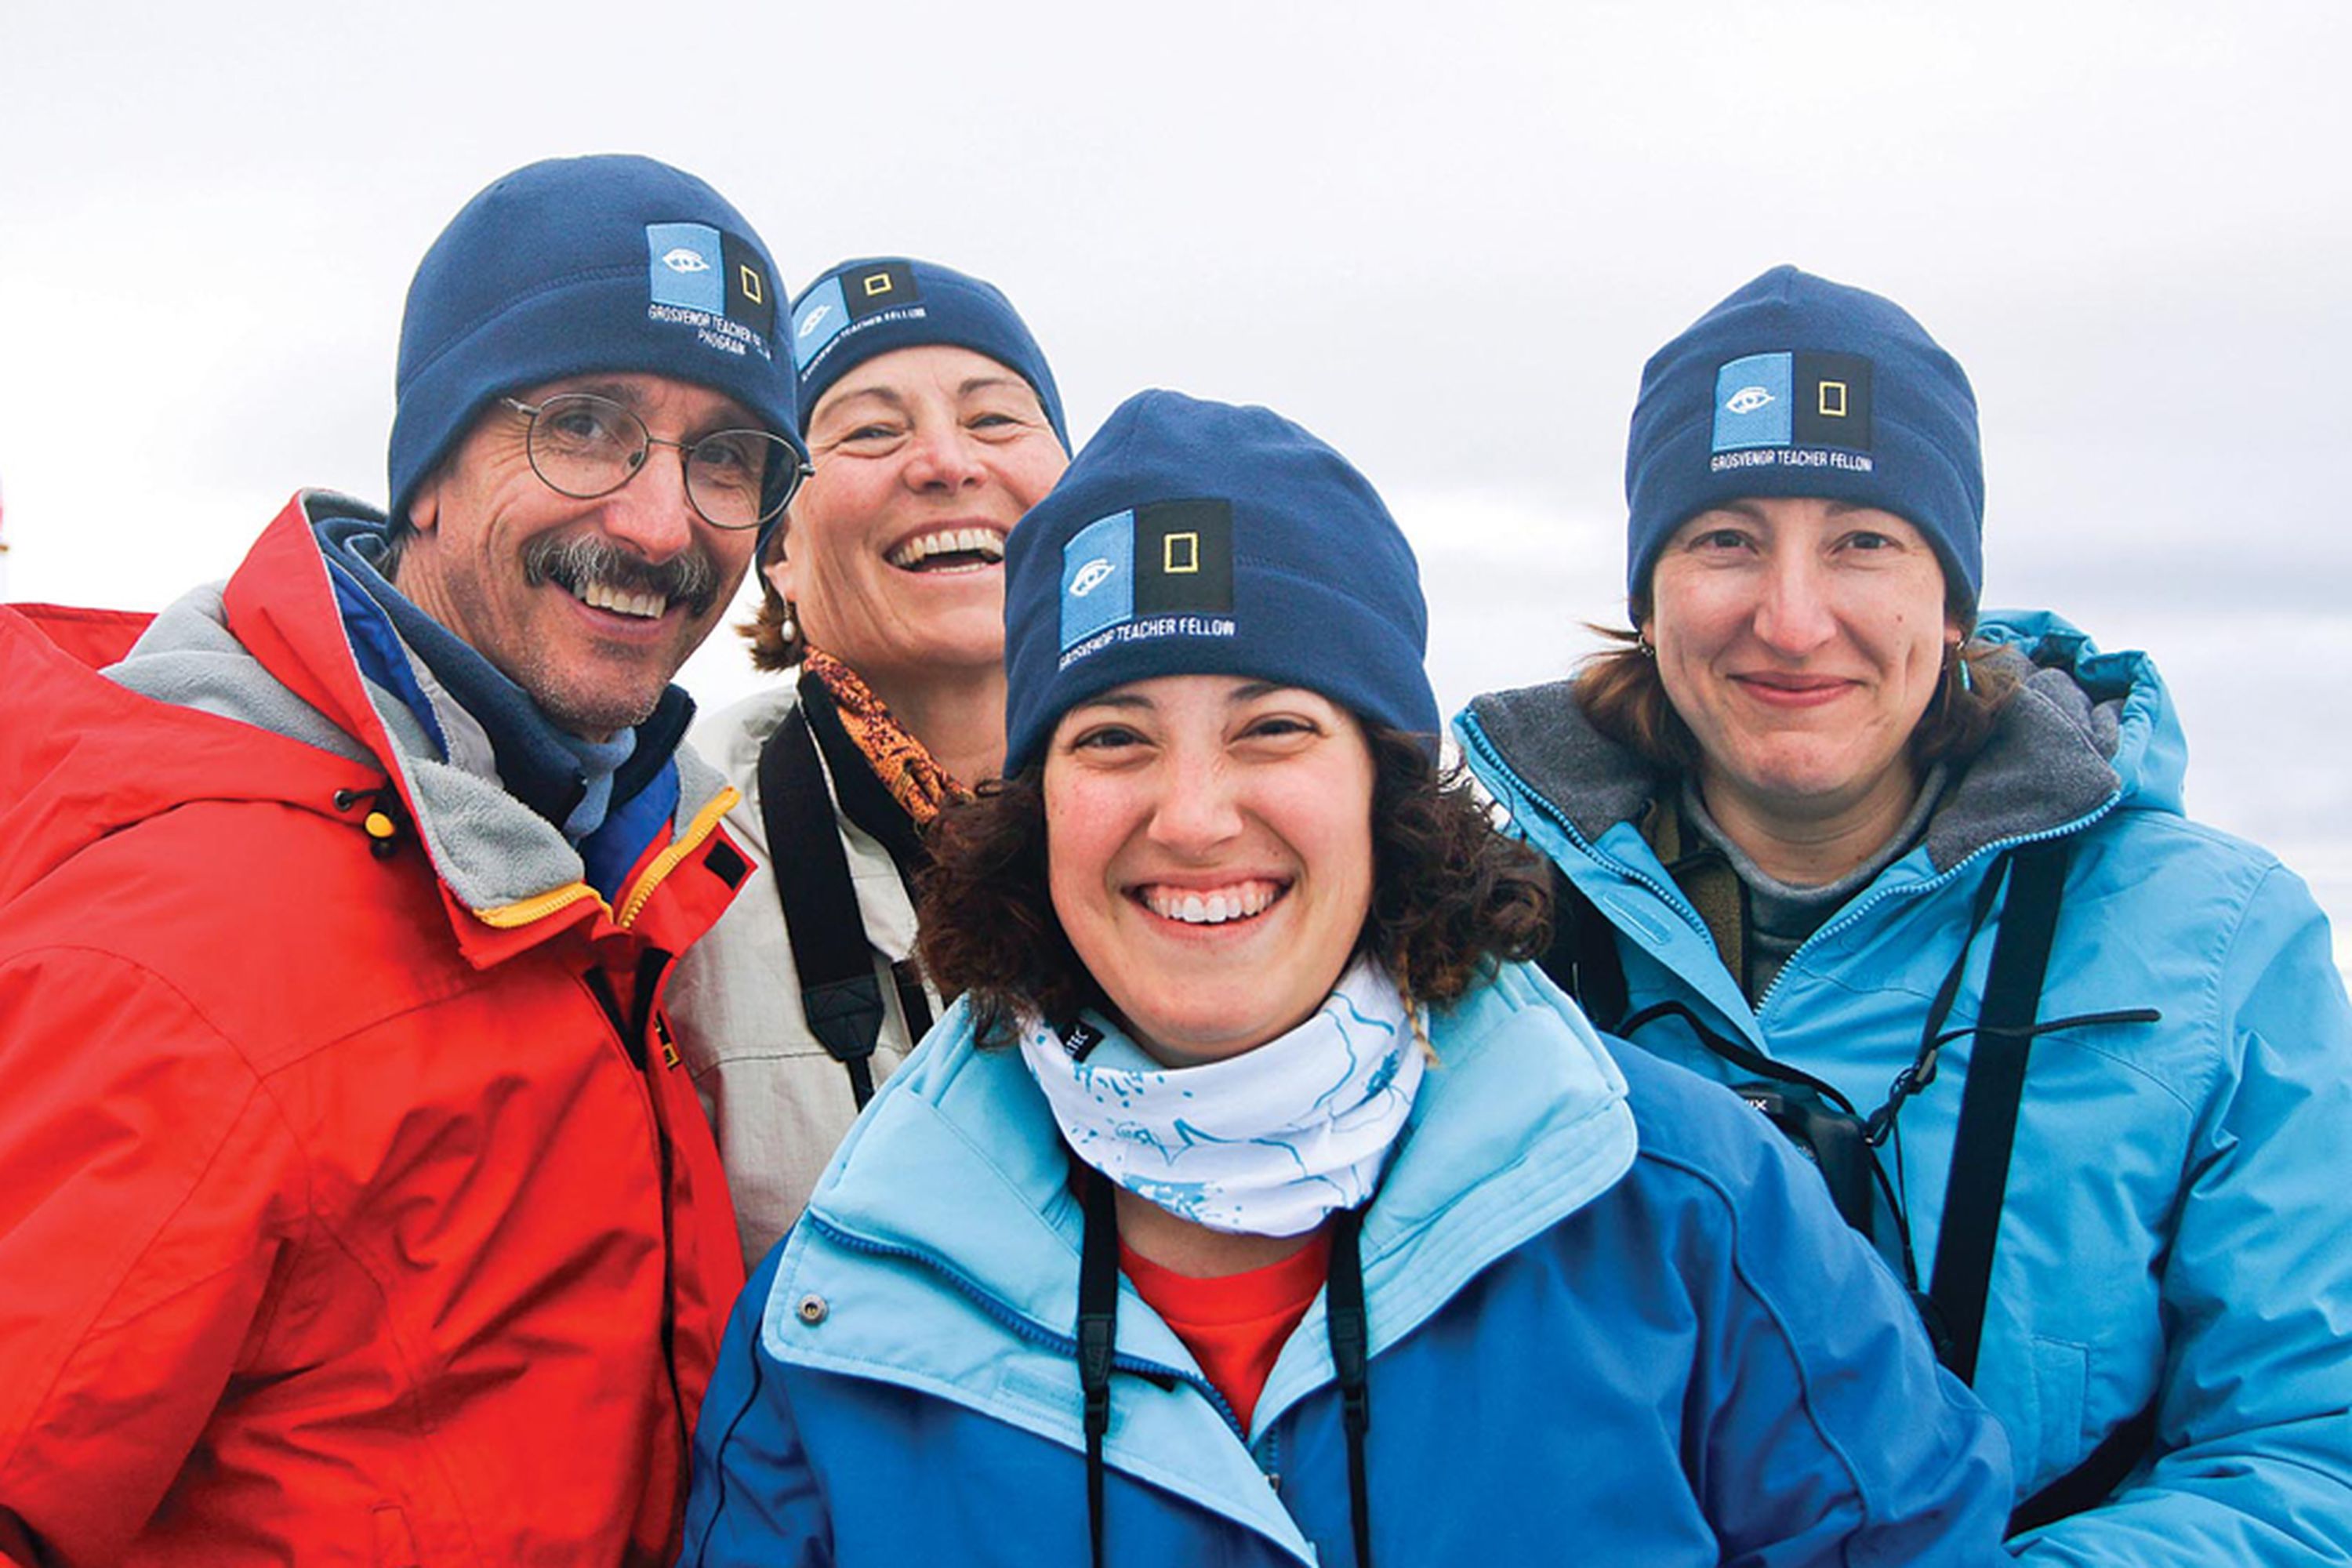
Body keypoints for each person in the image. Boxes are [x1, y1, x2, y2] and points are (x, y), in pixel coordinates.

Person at [677, 390, 2016, 1566]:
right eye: (1114, 739)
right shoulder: (849, 1300)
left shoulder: (1685, 1213)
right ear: (1037, 814)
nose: (1193, 818)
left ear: (1386, 789)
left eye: (1273, 729)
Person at [1456, 266, 2352, 1562]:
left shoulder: (2224, 947)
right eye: (1726, 539)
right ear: (1649, 598)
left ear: (1951, 597)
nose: (1794, 615)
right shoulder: (1476, 936)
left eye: (1863, 541)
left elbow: (2311, 1452)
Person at [0, 155, 804, 1564]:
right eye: (586, 426)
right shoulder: (187, 958)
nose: (661, 523)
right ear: (429, 470)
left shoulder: (608, 869)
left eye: (726, 459)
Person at [666, 256, 1071, 1268]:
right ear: (780, 550)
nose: (944, 463)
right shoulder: (663, 847)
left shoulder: (1217, 823)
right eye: (871, 431)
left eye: (995, 420)